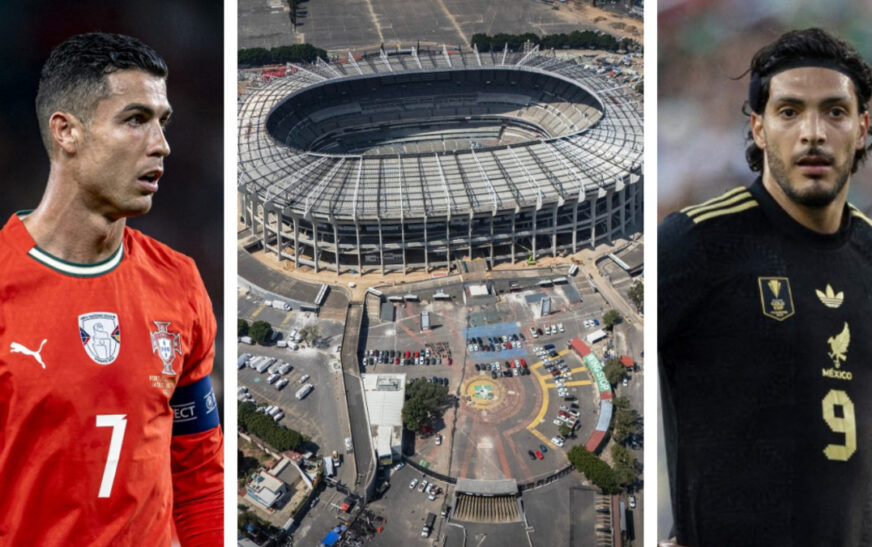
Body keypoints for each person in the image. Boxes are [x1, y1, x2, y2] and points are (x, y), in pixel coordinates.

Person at [0, 33, 223, 545]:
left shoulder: (181, 283)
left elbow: (199, 479)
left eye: (163, 122)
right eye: (136, 119)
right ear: (67, 132)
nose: (161, 145)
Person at [659, 28, 872, 546]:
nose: (813, 133)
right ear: (758, 127)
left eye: (835, 112)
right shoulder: (700, 240)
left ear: (863, 127)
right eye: (790, 111)